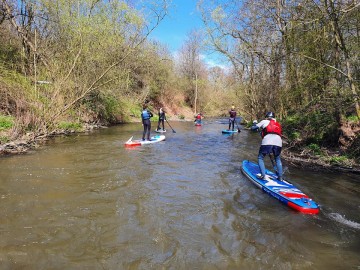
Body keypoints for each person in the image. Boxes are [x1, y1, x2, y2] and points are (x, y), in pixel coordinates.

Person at [251, 111, 283, 181]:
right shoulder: (278, 124)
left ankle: (263, 176)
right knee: (277, 158)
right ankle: (280, 177)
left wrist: (254, 123)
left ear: (267, 117)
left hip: (267, 141)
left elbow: (253, 128)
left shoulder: (264, 121)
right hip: (279, 142)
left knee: (260, 157)